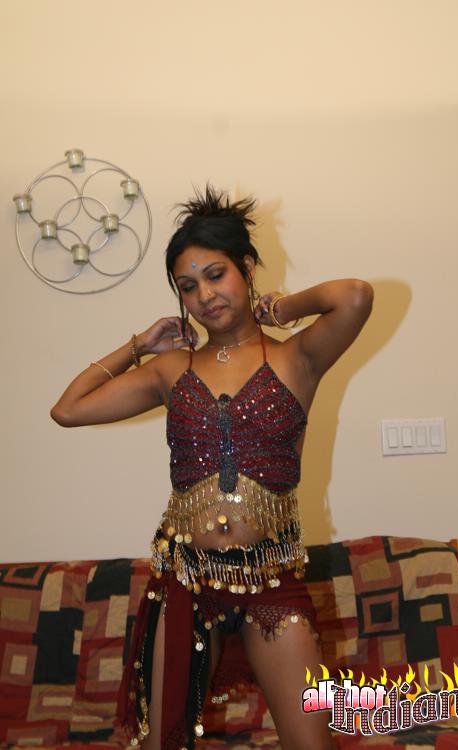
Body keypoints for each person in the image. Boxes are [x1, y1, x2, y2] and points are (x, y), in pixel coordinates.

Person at [50, 184, 373, 750]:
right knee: (166, 741)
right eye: (187, 286)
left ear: (246, 268)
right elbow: (68, 410)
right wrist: (138, 345)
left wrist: (283, 309)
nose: (204, 295)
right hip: (186, 580)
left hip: (270, 580)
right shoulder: (171, 369)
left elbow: (356, 296)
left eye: (216, 274)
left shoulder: (297, 356)